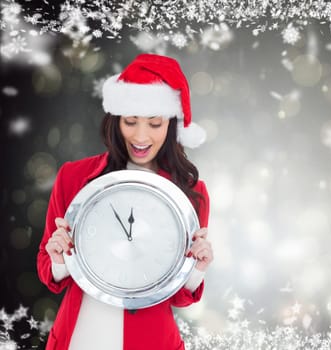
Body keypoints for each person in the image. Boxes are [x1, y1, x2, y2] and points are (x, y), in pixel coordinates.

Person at [37, 53, 214, 350]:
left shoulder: (190, 191)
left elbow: (181, 296)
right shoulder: (73, 177)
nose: (140, 136)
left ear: (171, 125)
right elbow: (49, 271)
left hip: (150, 338)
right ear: (116, 120)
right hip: (83, 334)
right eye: (130, 122)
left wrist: (198, 267)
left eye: (155, 124)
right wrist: (58, 258)